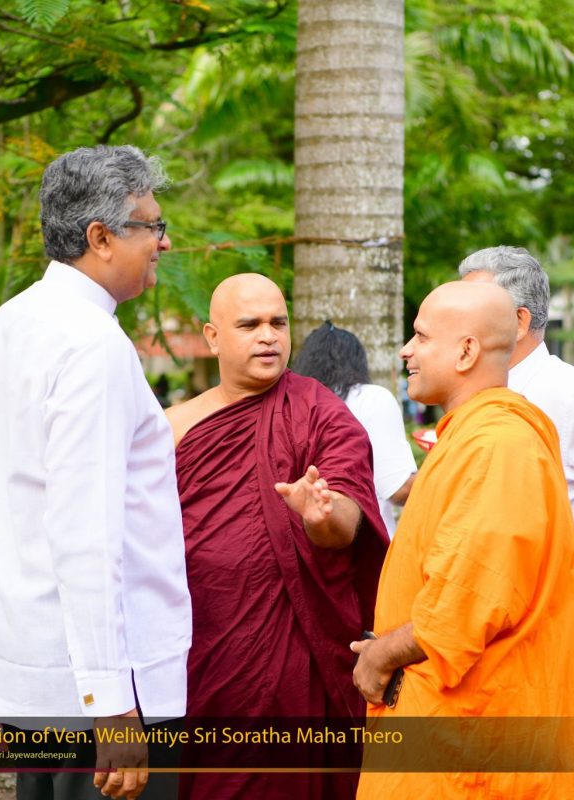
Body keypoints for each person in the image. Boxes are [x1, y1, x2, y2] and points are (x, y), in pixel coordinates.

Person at [0, 145, 192, 800]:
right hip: (97, 695)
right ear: (100, 238)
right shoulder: (90, 343)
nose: (163, 241)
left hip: (32, 674)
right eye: (151, 225)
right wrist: (112, 704)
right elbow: (86, 535)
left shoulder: (8, 324)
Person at [166, 273, 388, 800]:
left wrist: (320, 516)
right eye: (250, 325)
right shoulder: (174, 426)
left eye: (278, 323)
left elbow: (347, 521)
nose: (268, 336)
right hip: (203, 645)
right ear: (213, 337)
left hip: (296, 650)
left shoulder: (321, 413)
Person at [351, 282, 574, 798]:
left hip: (471, 750)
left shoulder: (499, 446)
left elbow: (465, 604)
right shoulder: (473, 437)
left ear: (467, 351)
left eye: (421, 336)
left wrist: (381, 655)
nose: (406, 350)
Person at [459, 245, 574, 513]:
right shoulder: (469, 392)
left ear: (519, 322)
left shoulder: (567, 393)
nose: (456, 320)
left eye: (470, 310)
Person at [292, 322, 417, 537]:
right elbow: (397, 488)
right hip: (366, 543)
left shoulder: (294, 405)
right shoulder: (371, 399)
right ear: (358, 362)